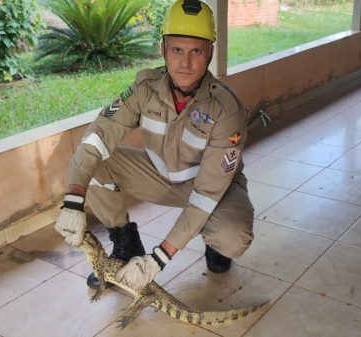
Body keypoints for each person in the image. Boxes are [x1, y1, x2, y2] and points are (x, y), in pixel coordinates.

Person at [54, 0, 254, 292]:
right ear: (163, 50)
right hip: (159, 176)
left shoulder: (226, 110)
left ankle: (214, 243)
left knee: (233, 237)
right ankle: (126, 242)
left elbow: (207, 193)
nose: (185, 62)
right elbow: (99, 133)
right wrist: (74, 199)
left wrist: (158, 259)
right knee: (91, 161)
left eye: (196, 51)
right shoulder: (145, 88)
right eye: (177, 50)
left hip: (211, 187)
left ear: (210, 53)